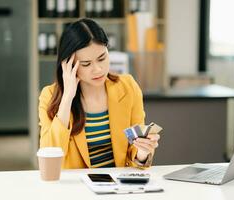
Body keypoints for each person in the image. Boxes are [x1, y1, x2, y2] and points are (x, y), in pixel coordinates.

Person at [38, 18, 160, 169]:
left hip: (118, 187)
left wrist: (142, 152)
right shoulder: (49, 96)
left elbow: (134, 156)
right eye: (86, 64)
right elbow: (49, 157)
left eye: (102, 58)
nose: (98, 69)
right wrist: (67, 97)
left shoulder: (128, 87)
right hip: (76, 189)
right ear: (68, 65)